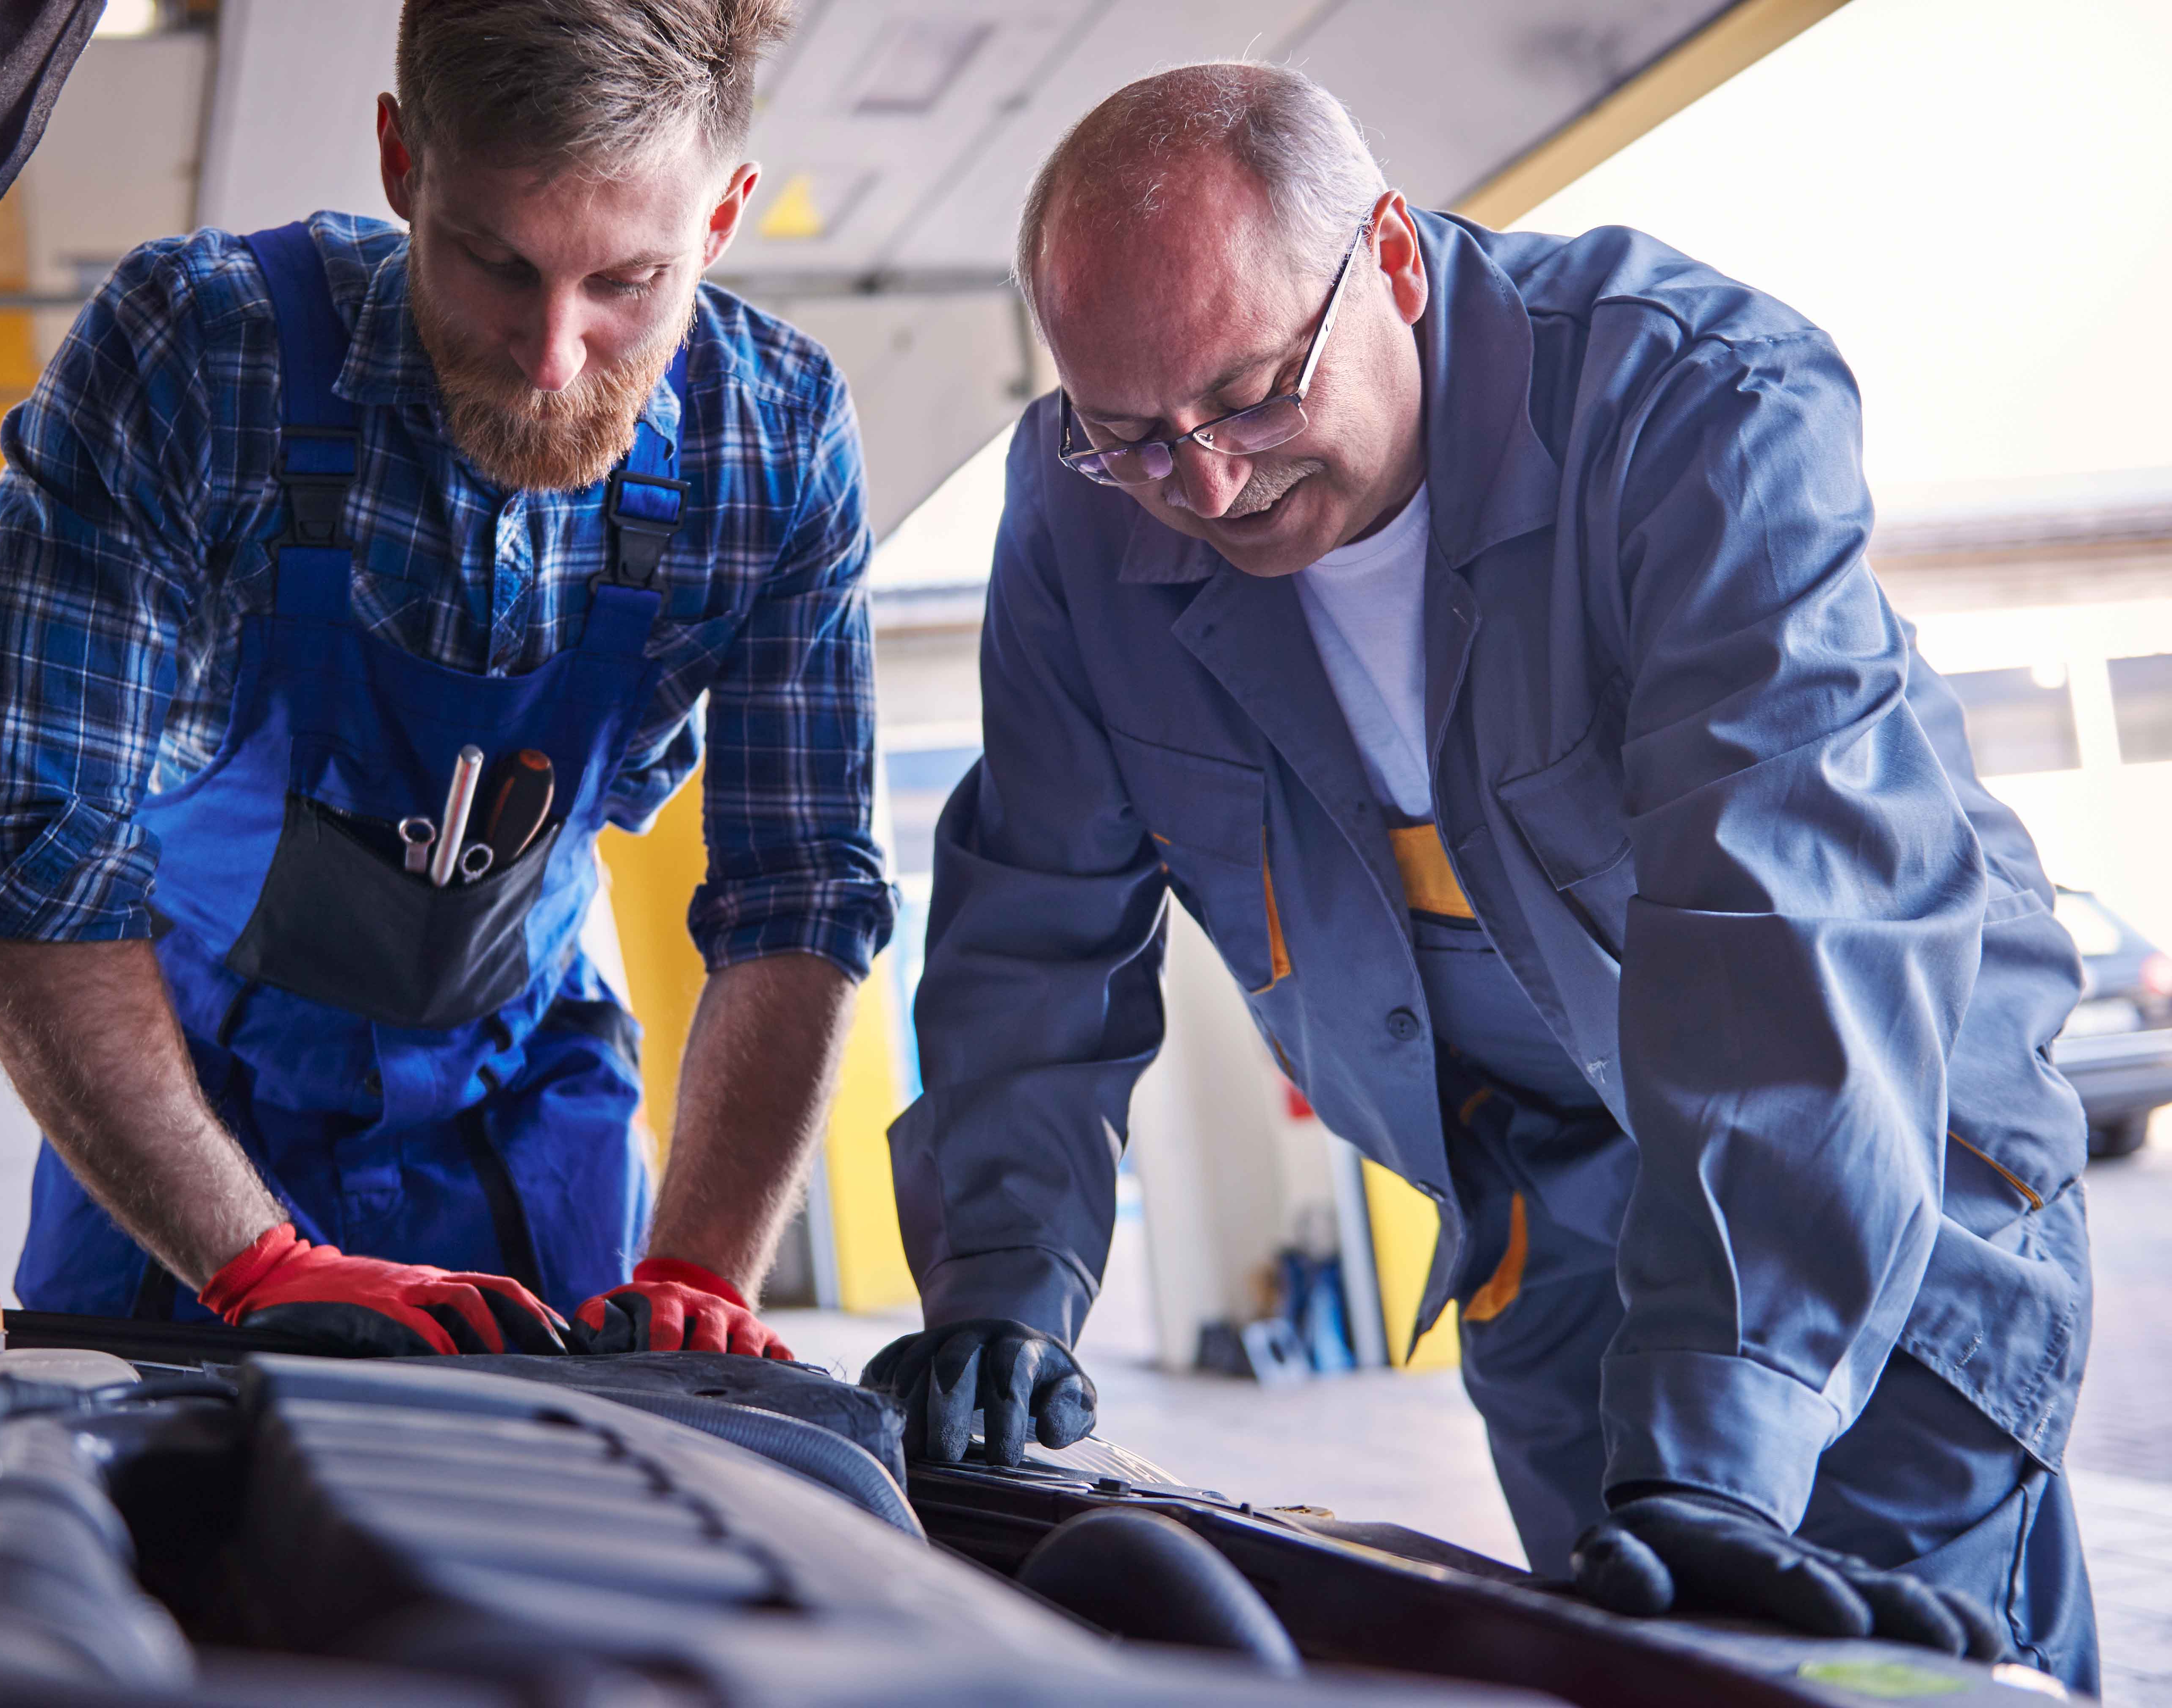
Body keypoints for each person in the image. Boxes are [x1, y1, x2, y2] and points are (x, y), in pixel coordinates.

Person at [866, 63, 2096, 1690]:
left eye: (1251, 398)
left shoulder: (1697, 411)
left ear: (1387, 255)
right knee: (1627, 1663)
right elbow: (1038, 920)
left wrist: (1723, 1422)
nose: (1208, 485)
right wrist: (1005, 1286)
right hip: (1547, 1228)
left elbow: (1793, 929)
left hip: (1870, 1163)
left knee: (1893, 1672)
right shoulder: (1080, 522)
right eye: (1134, 437)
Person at [0, 0, 890, 1366]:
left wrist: (697, 1275)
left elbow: (802, 887)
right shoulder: (201, 355)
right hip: (188, 1113)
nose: (553, 360)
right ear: (402, 165)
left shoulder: (774, 441)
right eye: (494, 263)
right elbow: (12, 838)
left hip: (526, 1114)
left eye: (628, 286)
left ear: (721, 223)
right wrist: (254, 1261)